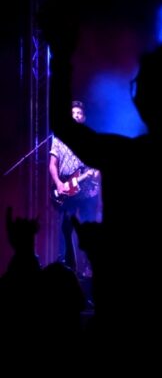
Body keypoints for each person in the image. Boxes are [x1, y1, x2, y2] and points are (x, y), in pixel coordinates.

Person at [48, 100, 100, 275]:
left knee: (89, 230)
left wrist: (96, 172)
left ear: (83, 118)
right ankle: (66, 266)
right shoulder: (58, 138)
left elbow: (97, 164)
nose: (76, 116)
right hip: (66, 191)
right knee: (65, 228)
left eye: (79, 113)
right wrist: (58, 183)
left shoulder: (90, 139)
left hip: (87, 192)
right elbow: (52, 164)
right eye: (73, 113)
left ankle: (90, 267)